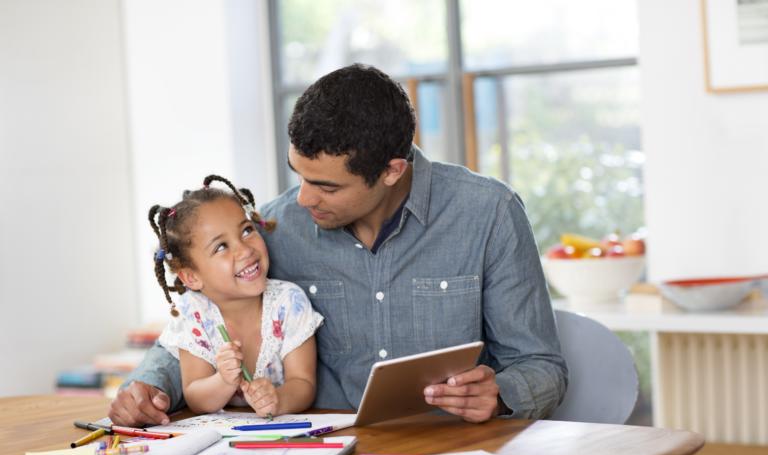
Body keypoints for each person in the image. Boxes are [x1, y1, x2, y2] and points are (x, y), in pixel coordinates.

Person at [109, 64, 567, 427]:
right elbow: (200, 321)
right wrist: (144, 388)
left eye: (326, 186)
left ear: (391, 171)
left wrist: (502, 394)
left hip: (454, 452)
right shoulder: (276, 227)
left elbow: (540, 364)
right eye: (299, 175)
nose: (303, 199)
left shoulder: (489, 213)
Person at [113, 175, 323, 422]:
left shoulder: (289, 302)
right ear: (191, 277)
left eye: (246, 230)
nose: (245, 250)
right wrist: (223, 380)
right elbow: (196, 397)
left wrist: (278, 399)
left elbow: (303, 383)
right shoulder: (193, 312)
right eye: (221, 247)